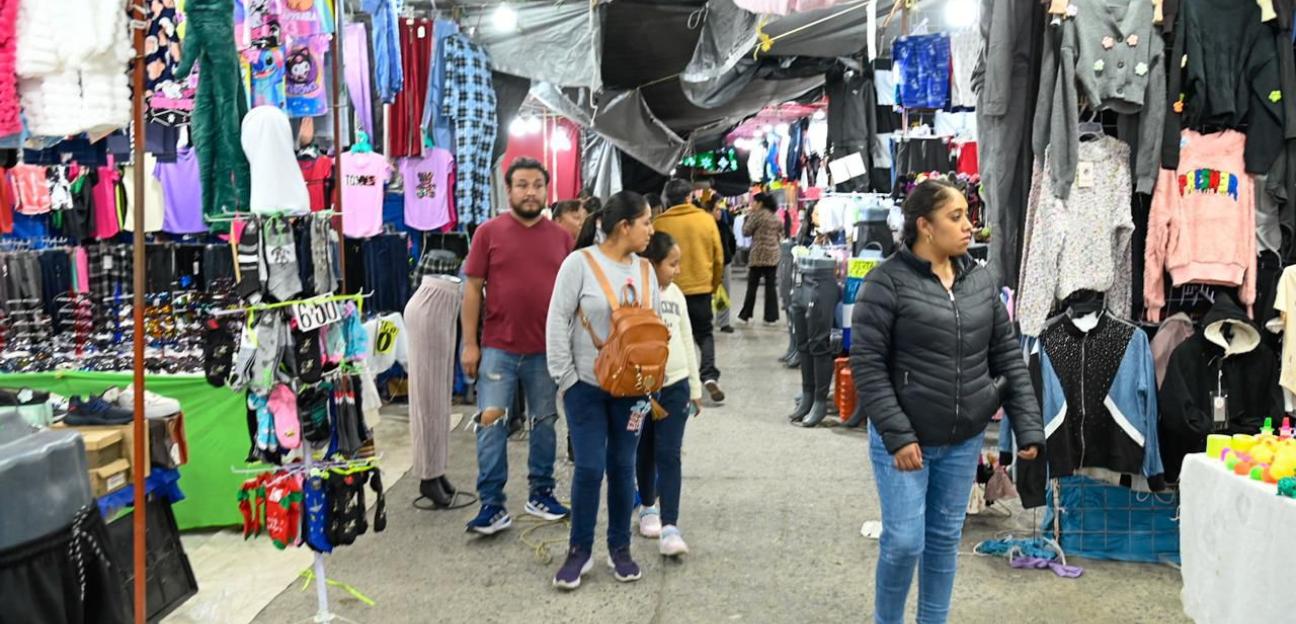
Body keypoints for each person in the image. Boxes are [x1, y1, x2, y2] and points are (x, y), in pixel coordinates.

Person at [850, 179, 1044, 624]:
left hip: (962, 439)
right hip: (905, 441)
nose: (968, 225)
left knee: (942, 540)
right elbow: (868, 366)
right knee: (903, 541)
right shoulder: (885, 284)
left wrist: (1028, 424)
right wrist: (897, 435)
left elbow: (1007, 356)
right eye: (955, 217)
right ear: (925, 226)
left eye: (967, 215)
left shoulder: (979, 281)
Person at [546, 191, 658, 590]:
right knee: (591, 467)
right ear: (624, 226)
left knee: (623, 467)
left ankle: (620, 548)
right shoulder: (579, 264)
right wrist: (567, 379)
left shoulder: (646, 270)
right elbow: (557, 319)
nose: (651, 229)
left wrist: (651, 384)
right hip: (586, 388)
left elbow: (654, 329)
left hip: (633, 392)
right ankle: (579, 551)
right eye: (646, 221)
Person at [460, 157, 573, 536]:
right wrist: (469, 344)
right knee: (491, 426)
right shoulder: (488, 233)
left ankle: (541, 492)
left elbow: (571, 295)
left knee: (545, 422)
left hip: (547, 352)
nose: (530, 192)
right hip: (498, 349)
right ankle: (492, 504)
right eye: (522, 184)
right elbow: (472, 289)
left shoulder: (561, 238)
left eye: (537, 185)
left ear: (546, 191)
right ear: (508, 190)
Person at [635, 231, 703, 557]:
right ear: (652, 263)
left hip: (675, 385)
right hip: (640, 388)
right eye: (672, 264)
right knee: (644, 449)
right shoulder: (634, 294)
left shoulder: (677, 293)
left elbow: (687, 338)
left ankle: (670, 526)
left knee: (670, 453)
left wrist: (694, 386)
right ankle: (647, 506)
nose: (677, 270)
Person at [654, 179, 726, 404]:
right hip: (700, 287)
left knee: (672, 334)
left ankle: (674, 377)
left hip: (667, 290)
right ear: (688, 198)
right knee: (704, 334)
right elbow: (718, 257)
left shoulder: (658, 223)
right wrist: (713, 285)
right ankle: (708, 376)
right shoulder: (705, 220)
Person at [738, 192, 782, 325]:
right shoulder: (775, 217)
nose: (752, 205)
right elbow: (780, 233)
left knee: (752, 286)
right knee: (770, 287)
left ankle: (746, 314)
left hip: (758, 255)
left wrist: (747, 218)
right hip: (773, 255)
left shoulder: (756, 216)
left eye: (754, 202)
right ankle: (771, 317)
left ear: (760, 203)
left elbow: (746, 232)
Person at [706, 191, 738, 334]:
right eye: (717, 210)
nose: (719, 212)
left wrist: (729, 255)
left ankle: (723, 322)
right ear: (709, 211)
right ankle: (706, 320)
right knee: (706, 294)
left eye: (720, 210)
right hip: (707, 265)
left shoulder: (723, 226)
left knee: (723, 292)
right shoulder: (705, 227)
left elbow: (732, 242)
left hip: (724, 264)